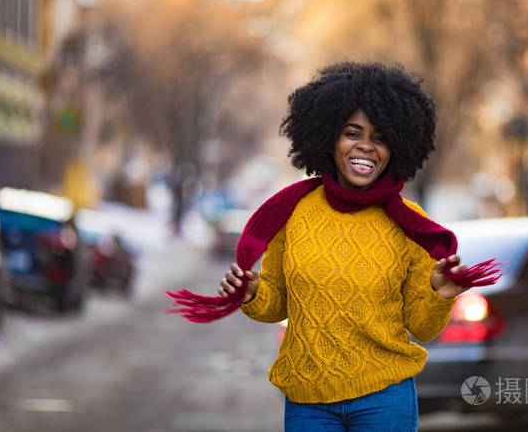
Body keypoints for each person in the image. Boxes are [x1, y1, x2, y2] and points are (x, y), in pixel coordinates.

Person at [213, 62, 501, 431]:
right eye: (353, 133)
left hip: (384, 398)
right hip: (308, 401)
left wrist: (439, 294)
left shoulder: (408, 223)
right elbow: (277, 305)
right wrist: (253, 293)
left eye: (379, 138)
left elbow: (423, 327)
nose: (366, 146)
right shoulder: (295, 213)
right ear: (329, 138)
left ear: (395, 147)